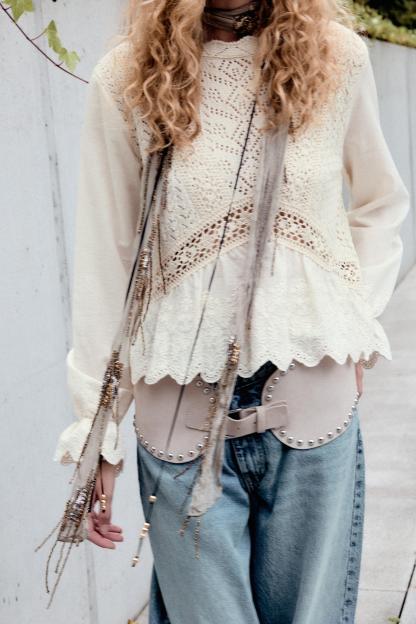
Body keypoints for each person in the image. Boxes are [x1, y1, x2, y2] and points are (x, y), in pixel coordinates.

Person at [53, 0, 410, 622]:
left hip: (314, 402)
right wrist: (96, 430)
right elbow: (106, 262)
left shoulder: (335, 56)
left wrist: (356, 320)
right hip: (178, 412)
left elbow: (380, 205)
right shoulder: (129, 75)